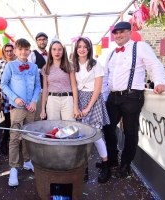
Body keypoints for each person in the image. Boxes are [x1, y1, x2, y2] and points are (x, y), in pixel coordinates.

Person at [102, 21, 165, 178]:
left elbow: (154, 65)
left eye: (122, 31)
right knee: (107, 127)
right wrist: (104, 98)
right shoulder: (111, 53)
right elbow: (105, 77)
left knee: (130, 131)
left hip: (132, 96)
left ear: (130, 32)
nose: (118, 35)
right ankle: (112, 159)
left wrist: (159, 82)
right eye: (116, 33)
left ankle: (126, 164)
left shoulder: (140, 47)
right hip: (112, 97)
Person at [1, 38, 41, 187]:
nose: (23, 52)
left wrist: (34, 101)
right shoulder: (10, 66)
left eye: (26, 49)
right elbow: (3, 85)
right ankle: (13, 168)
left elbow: (38, 85)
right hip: (17, 108)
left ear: (29, 51)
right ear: (16, 51)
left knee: (28, 136)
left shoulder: (34, 67)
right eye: (20, 49)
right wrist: (15, 98)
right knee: (15, 137)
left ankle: (27, 161)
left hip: (31, 108)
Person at [72, 36, 111, 183]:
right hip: (79, 99)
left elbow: (98, 88)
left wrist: (88, 107)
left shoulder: (96, 64)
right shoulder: (73, 65)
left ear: (89, 48)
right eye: (79, 46)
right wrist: (76, 105)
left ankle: (106, 165)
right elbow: (73, 86)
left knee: (96, 136)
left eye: (85, 46)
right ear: (76, 49)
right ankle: (84, 168)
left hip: (93, 101)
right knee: (81, 136)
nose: (82, 49)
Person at [40, 39, 80, 121]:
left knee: (70, 127)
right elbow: (45, 89)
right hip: (52, 100)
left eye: (60, 49)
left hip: (67, 99)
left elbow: (74, 87)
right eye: (54, 49)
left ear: (63, 51)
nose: (57, 52)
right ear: (50, 51)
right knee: (53, 127)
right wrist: (43, 109)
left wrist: (76, 107)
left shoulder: (70, 65)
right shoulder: (46, 68)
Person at [0, 43, 16, 155]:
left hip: (16, 97)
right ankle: (5, 143)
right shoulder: (2, 64)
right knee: (7, 122)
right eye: (6, 51)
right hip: (6, 98)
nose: (8, 53)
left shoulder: (18, 63)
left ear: (14, 51)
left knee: (16, 122)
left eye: (10, 50)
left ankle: (16, 144)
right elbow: (0, 79)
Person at [28, 32, 48, 121]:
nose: (42, 42)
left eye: (44, 39)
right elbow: (28, 70)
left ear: (47, 41)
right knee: (39, 115)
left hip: (50, 90)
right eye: (39, 40)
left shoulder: (51, 54)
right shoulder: (32, 54)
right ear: (36, 42)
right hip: (39, 90)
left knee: (48, 115)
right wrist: (40, 70)